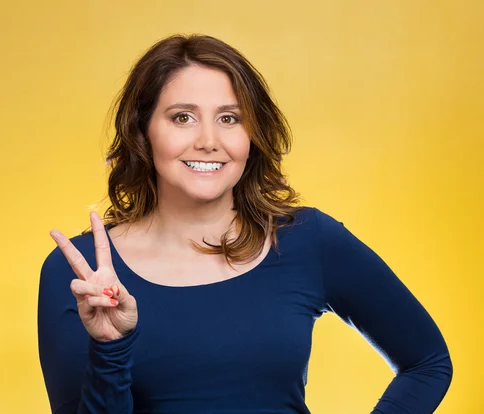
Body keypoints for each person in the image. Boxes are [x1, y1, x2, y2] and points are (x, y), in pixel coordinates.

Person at [37, 34, 453, 413]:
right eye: (183, 117)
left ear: (251, 136)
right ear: (143, 133)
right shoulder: (80, 274)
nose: (208, 140)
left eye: (229, 118)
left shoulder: (309, 242)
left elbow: (428, 362)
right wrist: (111, 349)